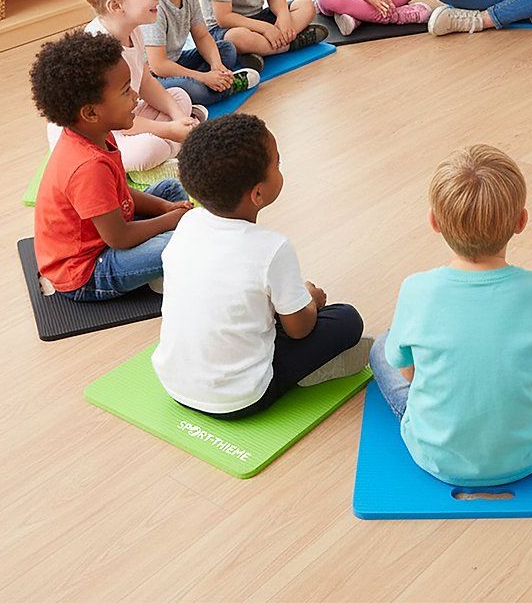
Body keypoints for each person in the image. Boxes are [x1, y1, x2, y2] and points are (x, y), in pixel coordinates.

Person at [369, 144, 532, 486]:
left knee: (382, 346)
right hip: (529, 454)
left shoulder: (415, 289)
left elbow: (408, 373)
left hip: (432, 453)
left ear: (434, 222)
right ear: (521, 221)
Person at [152, 114, 370, 418]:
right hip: (241, 400)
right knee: (347, 319)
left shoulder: (188, 223)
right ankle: (309, 374)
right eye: (277, 165)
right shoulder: (272, 247)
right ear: (257, 193)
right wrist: (310, 300)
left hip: (174, 383)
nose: (280, 169)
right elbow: (299, 329)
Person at [31, 32, 192, 301]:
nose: (136, 95)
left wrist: (163, 208)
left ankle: (166, 253)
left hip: (108, 234)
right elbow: (119, 237)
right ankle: (164, 263)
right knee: (174, 244)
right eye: (126, 90)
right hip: (87, 271)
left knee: (170, 189)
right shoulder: (87, 166)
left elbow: (121, 193)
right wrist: (170, 220)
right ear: (91, 113)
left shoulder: (96, 134)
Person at [47, 0, 205, 171]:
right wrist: (170, 130)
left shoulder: (133, 30)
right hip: (99, 131)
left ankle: (174, 136)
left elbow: (146, 81)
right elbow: (112, 118)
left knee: (180, 96)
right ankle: (172, 141)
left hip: (124, 112)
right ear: (116, 6)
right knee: (147, 150)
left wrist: (178, 118)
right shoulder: (100, 52)